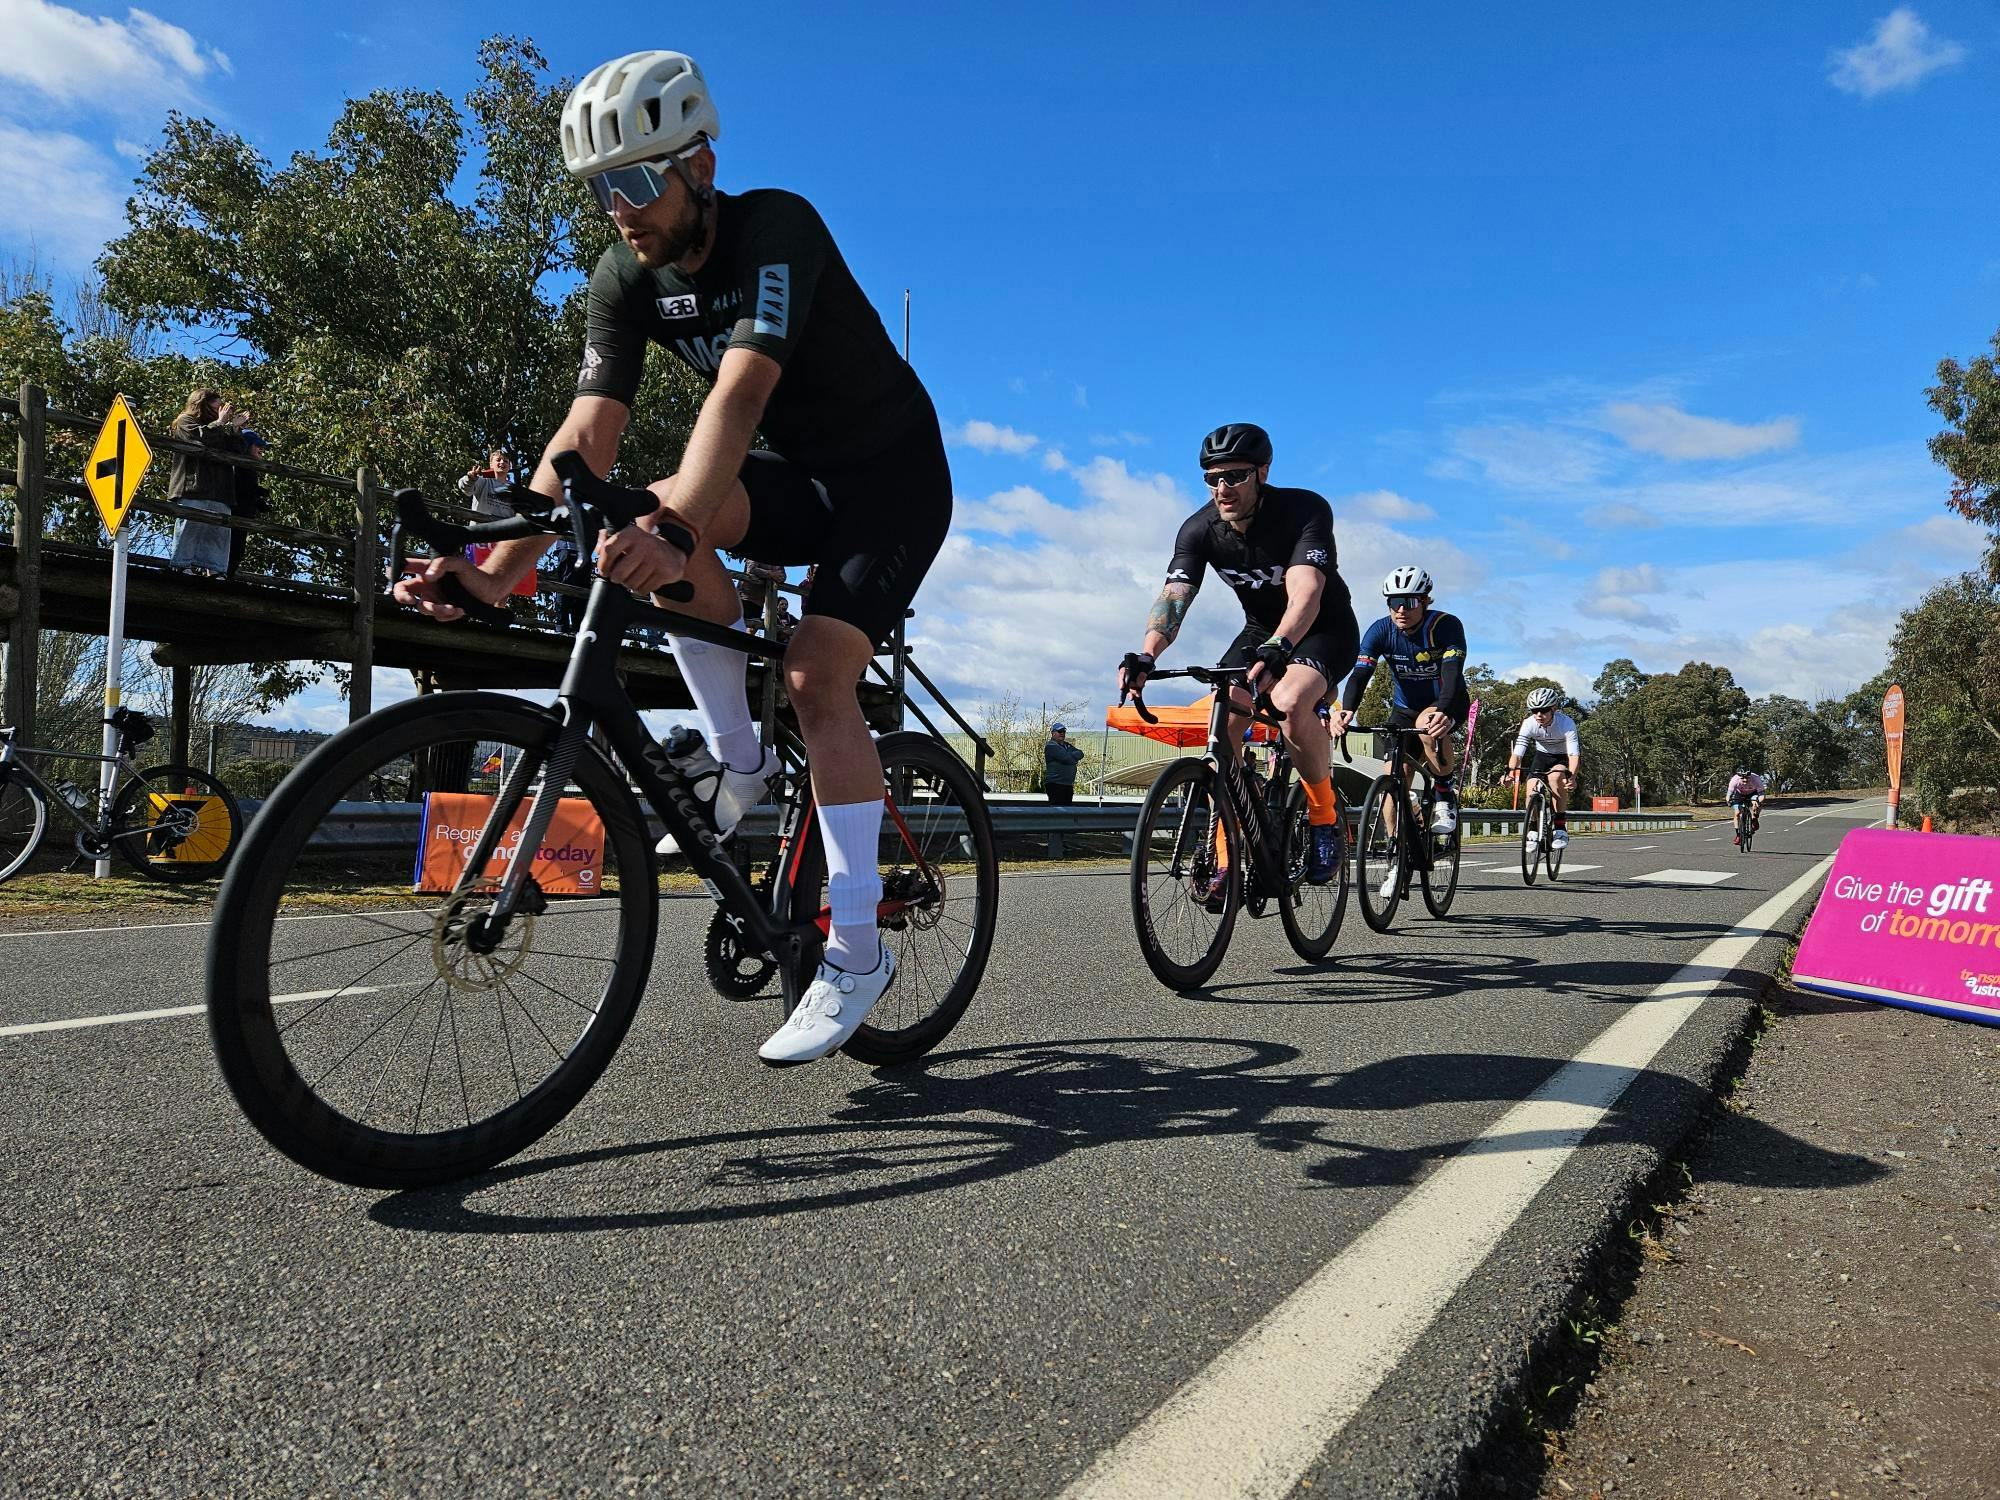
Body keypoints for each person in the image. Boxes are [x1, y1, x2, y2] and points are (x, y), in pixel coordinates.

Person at [393, 50, 952, 1067]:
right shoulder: (622, 276)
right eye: (601, 188)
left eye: (637, 180)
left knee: (815, 674)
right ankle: (739, 762)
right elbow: (585, 439)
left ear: (697, 162)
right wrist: (493, 570)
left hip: (886, 482)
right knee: (628, 522)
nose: (619, 208)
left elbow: (734, 399)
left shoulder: (775, 228)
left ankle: (858, 950)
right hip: (787, 477)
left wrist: (679, 528)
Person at [1117, 423, 1360, 892]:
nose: (1222, 488)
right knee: (1222, 721)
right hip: (1259, 630)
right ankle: (1229, 857)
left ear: (1262, 472)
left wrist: (1281, 648)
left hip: (1322, 628)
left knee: (1289, 701)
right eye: (1212, 478)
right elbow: (1175, 595)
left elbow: (1306, 590)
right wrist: (1146, 654)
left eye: (1235, 476)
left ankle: (1325, 818)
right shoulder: (1199, 528)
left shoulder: (1304, 510)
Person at [1331, 566, 1469, 900]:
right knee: (1390, 784)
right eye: (1393, 602)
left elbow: (1452, 674)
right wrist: (1347, 709)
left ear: (1424, 600)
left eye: (1408, 601)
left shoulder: (1445, 626)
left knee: (1428, 723)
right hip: (1403, 708)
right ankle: (1398, 858)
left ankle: (1443, 793)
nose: (1400, 609)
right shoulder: (1380, 631)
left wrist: (1446, 711)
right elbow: (1361, 673)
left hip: (1446, 700)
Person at [167, 388, 250, 577]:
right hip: (193, 486)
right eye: (218, 406)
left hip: (220, 489)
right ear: (202, 404)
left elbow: (236, 451)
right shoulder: (185, 421)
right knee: (190, 525)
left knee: (219, 530)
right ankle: (181, 565)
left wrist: (236, 429)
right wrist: (220, 422)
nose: (222, 410)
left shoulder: (218, 428)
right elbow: (200, 439)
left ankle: (215, 569)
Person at [1504, 686, 1580, 852]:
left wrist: (1572, 776)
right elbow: (1518, 753)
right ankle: (1532, 829)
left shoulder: (1566, 723)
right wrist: (1510, 773)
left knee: (1555, 778)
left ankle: (1560, 827)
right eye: (1535, 710)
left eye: (1544, 710)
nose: (1539, 715)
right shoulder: (1529, 723)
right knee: (1531, 788)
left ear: (1553, 709)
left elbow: (1574, 755)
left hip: (1561, 756)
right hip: (1542, 756)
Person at [228, 429, 272, 579]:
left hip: (245, 514)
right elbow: (239, 487)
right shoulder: (239, 464)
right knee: (232, 548)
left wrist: (259, 502)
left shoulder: (250, 467)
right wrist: (259, 492)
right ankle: (224, 577)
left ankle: (228, 577)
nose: (261, 449)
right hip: (235, 513)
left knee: (238, 550)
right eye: (257, 445)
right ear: (247, 446)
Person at [458, 450, 518, 518]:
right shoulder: (483, 481)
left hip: (504, 528)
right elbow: (466, 489)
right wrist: (470, 479)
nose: (502, 462)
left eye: (506, 461)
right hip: (481, 527)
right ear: (491, 464)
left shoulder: (515, 490)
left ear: (509, 467)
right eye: (498, 460)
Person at [1043, 723, 1085, 805]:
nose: (1062, 733)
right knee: (1057, 810)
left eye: (1064, 731)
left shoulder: (1067, 745)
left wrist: (1070, 756)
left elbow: (1081, 753)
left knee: (1067, 810)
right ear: (1053, 733)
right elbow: (1067, 759)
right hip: (1056, 784)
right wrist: (1074, 758)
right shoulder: (1051, 746)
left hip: (1068, 784)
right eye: (1060, 731)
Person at [1726, 767, 1767, 845]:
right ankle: (1738, 835)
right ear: (1739, 777)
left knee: (1756, 804)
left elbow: (1762, 795)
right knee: (1737, 813)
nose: (1745, 780)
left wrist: (1758, 802)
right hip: (1739, 794)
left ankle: (1755, 818)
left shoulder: (1756, 779)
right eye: (1742, 778)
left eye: (1747, 778)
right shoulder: (1734, 780)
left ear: (1750, 776)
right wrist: (1728, 801)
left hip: (1753, 793)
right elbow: (1729, 794)